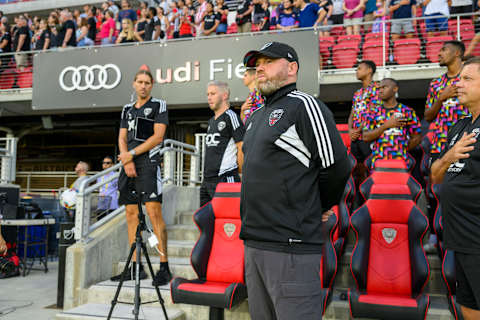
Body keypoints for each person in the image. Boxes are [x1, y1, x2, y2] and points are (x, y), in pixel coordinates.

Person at [240, 41, 351, 320]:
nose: (259, 68)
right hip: (255, 244)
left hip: (291, 247)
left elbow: (337, 167)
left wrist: (319, 206)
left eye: (268, 61)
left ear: (292, 68)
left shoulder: (304, 105)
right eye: (257, 64)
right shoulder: (255, 117)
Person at [430, 57, 480, 320]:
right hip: (459, 238)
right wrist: (449, 156)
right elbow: (435, 177)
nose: (458, 85)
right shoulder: (458, 127)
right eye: (459, 79)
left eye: (467, 79)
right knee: (468, 305)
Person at [112, 69, 172, 286]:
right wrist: (126, 160)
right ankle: (136, 266)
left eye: (147, 82)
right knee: (130, 213)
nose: (143, 86)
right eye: (140, 82)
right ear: (134, 84)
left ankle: (164, 266)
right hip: (129, 164)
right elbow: (121, 137)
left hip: (148, 163)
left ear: (152, 85)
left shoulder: (159, 105)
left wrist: (133, 154)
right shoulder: (127, 109)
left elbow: (158, 137)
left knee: (154, 212)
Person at [424, 41, 470, 165]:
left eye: (444, 50)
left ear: (457, 53)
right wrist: (441, 98)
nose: (439, 53)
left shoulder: (470, 78)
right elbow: (428, 117)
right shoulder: (436, 83)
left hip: (467, 142)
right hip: (440, 143)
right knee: (438, 181)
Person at [200, 81, 245, 206]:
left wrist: (240, 173)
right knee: (204, 221)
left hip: (225, 179)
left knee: (227, 222)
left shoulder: (231, 117)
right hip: (207, 181)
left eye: (213, 93)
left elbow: (242, 147)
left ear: (224, 95)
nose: (209, 97)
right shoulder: (210, 122)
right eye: (207, 94)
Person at [362, 78, 421, 169]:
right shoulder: (373, 112)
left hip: (401, 162)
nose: (380, 91)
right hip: (379, 162)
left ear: (395, 89)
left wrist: (401, 149)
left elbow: (417, 137)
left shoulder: (407, 111)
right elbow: (365, 137)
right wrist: (386, 126)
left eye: (384, 87)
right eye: (379, 88)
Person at [348, 60, 379, 164]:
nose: (357, 71)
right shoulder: (357, 93)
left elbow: (372, 113)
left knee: (370, 165)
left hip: (368, 135)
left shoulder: (376, 89)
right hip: (355, 138)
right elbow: (352, 114)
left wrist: (357, 130)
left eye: (359, 69)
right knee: (357, 167)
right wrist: (350, 130)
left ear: (369, 70)